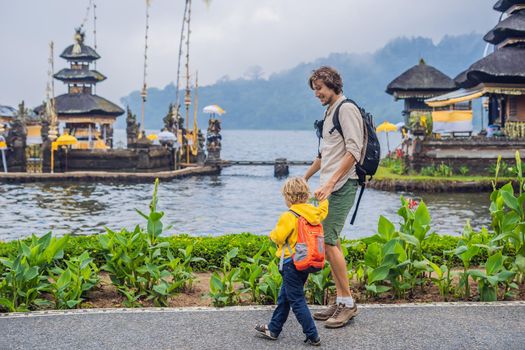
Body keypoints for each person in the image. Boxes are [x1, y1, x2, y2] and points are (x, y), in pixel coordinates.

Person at [304, 66, 363, 328]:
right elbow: (323, 155)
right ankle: (341, 301)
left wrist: (330, 183)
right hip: (328, 187)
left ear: (333, 85)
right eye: (315, 89)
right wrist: (304, 178)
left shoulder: (346, 109)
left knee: (327, 242)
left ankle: (348, 304)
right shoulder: (329, 112)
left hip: (342, 186)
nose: (317, 94)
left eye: (320, 88)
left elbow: (354, 150)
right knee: (332, 242)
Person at [255, 177, 328, 346]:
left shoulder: (289, 215)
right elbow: (323, 210)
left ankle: (312, 334)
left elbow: (279, 237)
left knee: (296, 300)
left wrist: (271, 234)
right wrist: (322, 199)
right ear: (306, 195)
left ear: (288, 196)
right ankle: (273, 329)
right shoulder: (313, 212)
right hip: (306, 262)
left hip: (291, 263)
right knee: (285, 297)